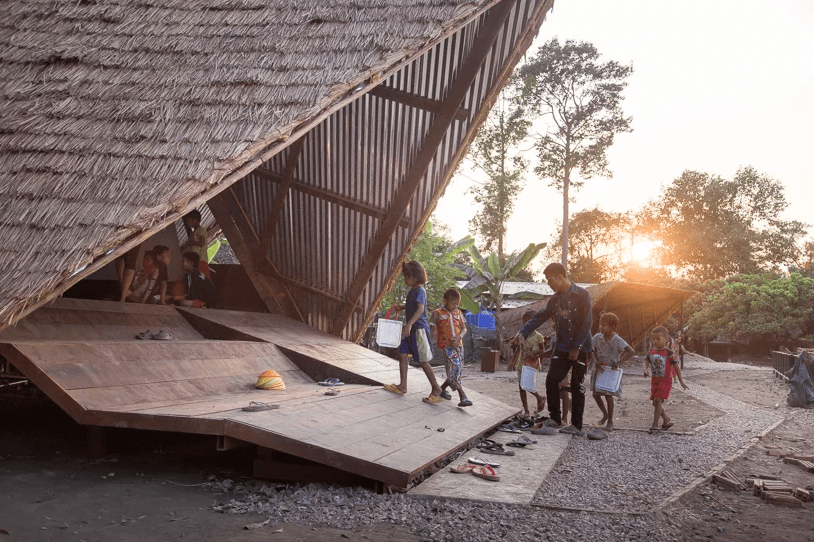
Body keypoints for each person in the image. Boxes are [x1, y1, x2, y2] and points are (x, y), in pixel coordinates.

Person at [512, 263, 592, 435]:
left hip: (582, 346)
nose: (549, 284)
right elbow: (541, 316)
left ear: (559, 277)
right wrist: (522, 332)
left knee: (577, 385)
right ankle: (555, 419)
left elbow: (587, 323)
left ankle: (576, 425)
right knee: (552, 380)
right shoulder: (555, 300)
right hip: (562, 347)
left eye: (549, 280)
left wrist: (576, 347)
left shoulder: (582, 295)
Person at [383, 261, 443, 403]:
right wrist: (402, 307)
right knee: (402, 354)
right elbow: (413, 305)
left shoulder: (420, 290)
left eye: (406, 277)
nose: (405, 280)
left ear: (415, 277)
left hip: (418, 330)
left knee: (423, 361)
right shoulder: (413, 291)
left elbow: (420, 309)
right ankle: (403, 385)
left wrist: (409, 325)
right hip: (411, 330)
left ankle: (436, 388)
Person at [590, 312, 635, 431]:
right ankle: (605, 414)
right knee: (596, 395)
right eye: (600, 324)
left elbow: (631, 352)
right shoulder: (597, 338)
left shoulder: (618, 340)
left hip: (611, 371)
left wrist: (619, 362)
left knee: (608, 396)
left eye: (604, 325)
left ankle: (610, 421)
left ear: (613, 327)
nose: (601, 327)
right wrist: (595, 361)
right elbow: (591, 350)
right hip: (599, 370)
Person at [429, 288, 472, 407]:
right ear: (445, 301)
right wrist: (429, 344)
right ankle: (463, 396)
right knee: (455, 370)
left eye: (457, 304)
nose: (455, 306)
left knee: (456, 371)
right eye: (453, 303)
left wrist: (459, 337)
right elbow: (431, 329)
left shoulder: (459, 313)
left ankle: (440, 389)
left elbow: (464, 329)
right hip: (447, 348)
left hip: (459, 346)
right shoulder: (437, 313)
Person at [643, 326, 689, 433]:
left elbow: (676, 367)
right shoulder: (651, 351)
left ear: (666, 339)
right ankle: (666, 420)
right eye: (653, 339)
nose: (655, 341)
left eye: (658, 339)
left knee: (658, 400)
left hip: (666, 380)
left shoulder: (669, 353)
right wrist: (645, 369)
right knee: (655, 403)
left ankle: (655, 424)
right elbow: (646, 361)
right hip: (655, 381)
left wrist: (681, 381)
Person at [508, 309, 547, 418]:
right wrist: (512, 362)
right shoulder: (521, 335)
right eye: (525, 321)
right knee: (521, 387)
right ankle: (527, 411)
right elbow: (518, 349)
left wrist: (533, 353)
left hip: (531, 364)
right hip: (521, 363)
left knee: (527, 386)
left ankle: (539, 397)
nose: (527, 323)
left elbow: (543, 350)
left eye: (529, 321)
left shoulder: (538, 336)